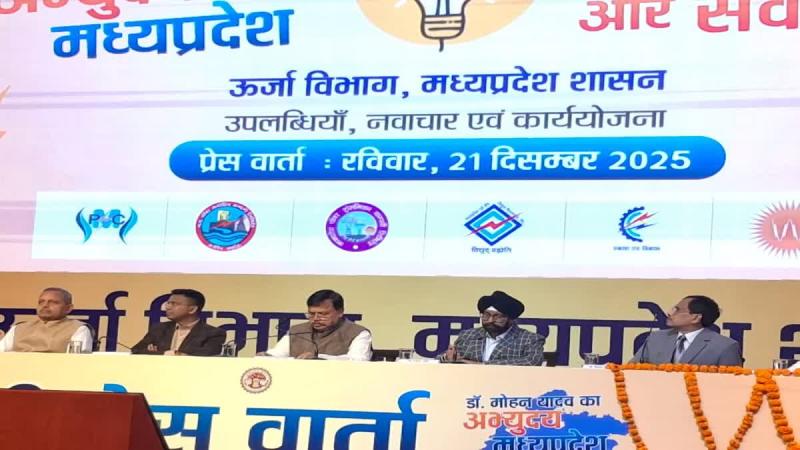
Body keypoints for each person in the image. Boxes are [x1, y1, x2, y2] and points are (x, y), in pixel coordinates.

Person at [631, 295, 743, 366]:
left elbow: (731, 384)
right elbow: (632, 369)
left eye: (677, 310)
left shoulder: (725, 346)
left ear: (696, 318)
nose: (669, 313)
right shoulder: (656, 338)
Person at [440, 291, 545, 366]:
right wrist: (448, 358)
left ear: (510, 319)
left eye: (497, 316)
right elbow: (441, 358)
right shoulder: (468, 335)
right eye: (486, 315)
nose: (490, 320)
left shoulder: (530, 339)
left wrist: (480, 365)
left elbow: (532, 362)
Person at [266, 289, 372, 360]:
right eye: (311, 314)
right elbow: (278, 354)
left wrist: (319, 358)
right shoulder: (297, 331)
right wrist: (265, 357)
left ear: (340, 312)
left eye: (323, 314)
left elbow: (358, 360)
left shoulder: (358, 333)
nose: (316, 318)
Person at [131, 289, 225, 356]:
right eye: (168, 303)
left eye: (174, 304)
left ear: (192, 309)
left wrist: (156, 353)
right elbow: (136, 350)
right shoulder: (159, 329)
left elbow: (204, 355)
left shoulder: (213, 333)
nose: (167, 307)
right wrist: (166, 353)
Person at [0, 287, 93, 353]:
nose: (45, 305)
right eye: (41, 302)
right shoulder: (19, 328)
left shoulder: (78, 329)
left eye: (53, 302)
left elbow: (76, 362)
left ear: (68, 308)